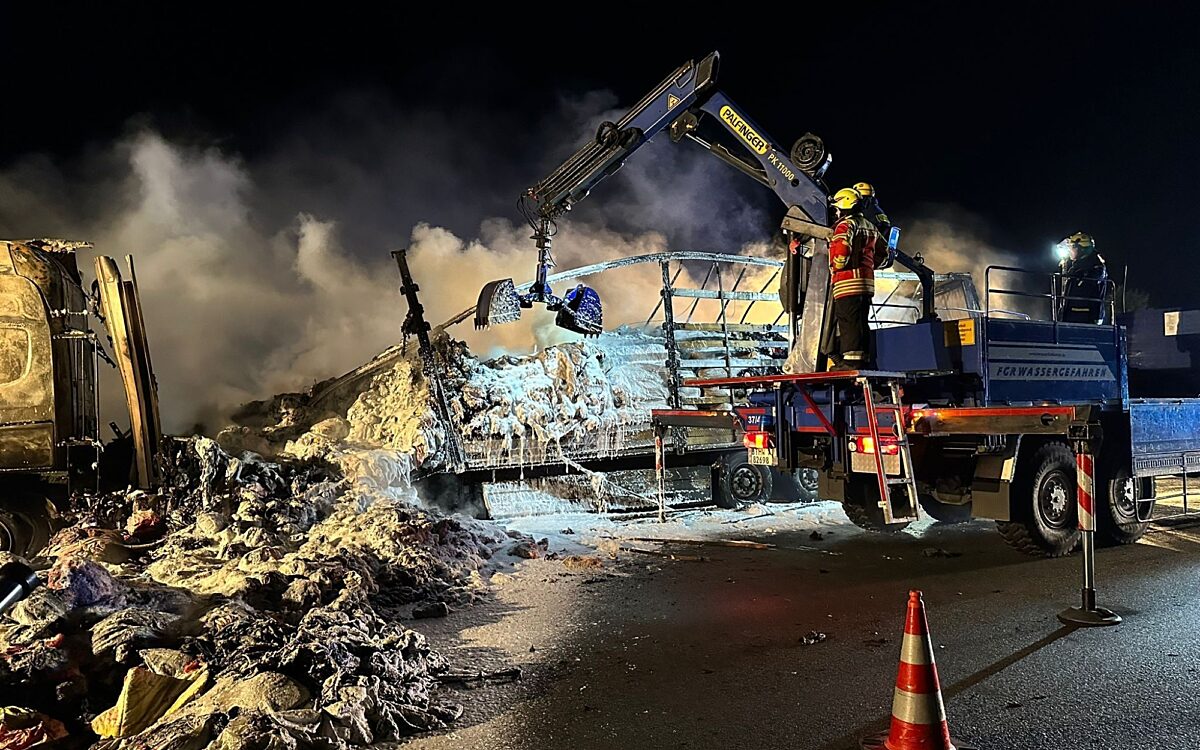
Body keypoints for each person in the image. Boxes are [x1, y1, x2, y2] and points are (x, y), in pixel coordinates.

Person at [827, 187, 881, 370]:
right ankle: (863, 358)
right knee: (861, 321)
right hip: (866, 282)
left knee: (848, 321)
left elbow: (842, 248)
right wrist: (869, 266)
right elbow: (883, 253)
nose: (836, 212)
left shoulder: (845, 225)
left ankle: (851, 361)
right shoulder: (871, 226)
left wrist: (838, 265)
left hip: (847, 281)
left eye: (836, 208)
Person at [1056, 232, 1108, 323]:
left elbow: (1088, 285)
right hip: (1072, 314)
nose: (1069, 250)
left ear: (1081, 249)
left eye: (1072, 247)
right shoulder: (1077, 266)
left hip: (1085, 316)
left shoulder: (1096, 267)